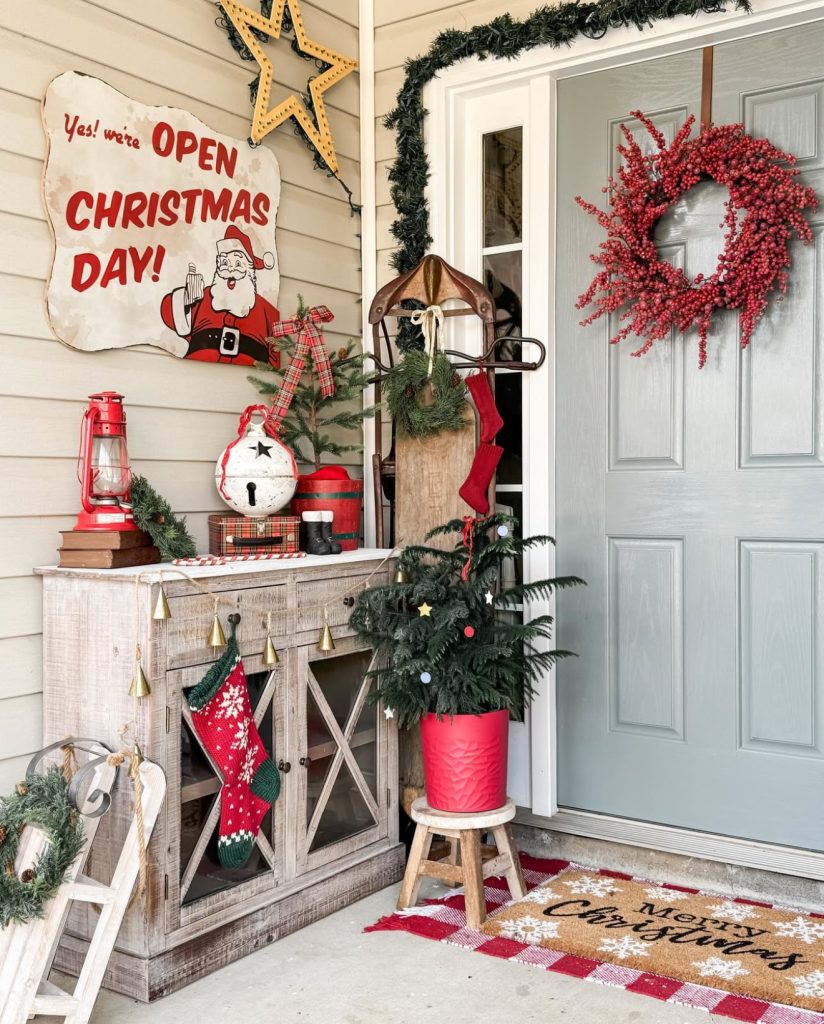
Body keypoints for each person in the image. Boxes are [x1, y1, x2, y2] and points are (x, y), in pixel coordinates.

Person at [160, 225, 280, 366]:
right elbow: (168, 313)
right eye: (225, 263)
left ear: (250, 270)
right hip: (195, 371)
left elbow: (277, 355)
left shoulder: (265, 311)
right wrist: (186, 299)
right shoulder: (202, 297)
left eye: (237, 264)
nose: (230, 269)